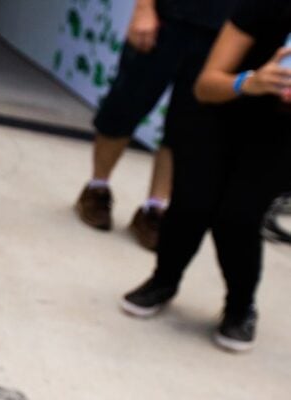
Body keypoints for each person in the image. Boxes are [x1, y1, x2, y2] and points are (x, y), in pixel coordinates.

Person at [120, 0, 291, 352]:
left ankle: (241, 307)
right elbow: (206, 86)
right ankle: (163, 280)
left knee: (238, 217)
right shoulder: (266, 7)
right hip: (221, 114)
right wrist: (252, 81)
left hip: (278, 139)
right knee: (191, 204)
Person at [76, 0, 236, 250]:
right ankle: (97, 187)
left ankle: (154, 209)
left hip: (223, 33)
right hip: (166, 18)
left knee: (186, 125)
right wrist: (144, 8)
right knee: (124, 105)